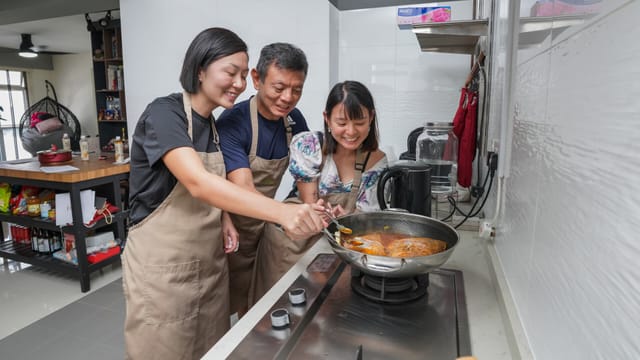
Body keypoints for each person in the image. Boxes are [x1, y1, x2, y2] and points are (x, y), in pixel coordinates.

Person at [121, 28, 324, 360]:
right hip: (164, 268)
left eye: (243, 75)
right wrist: (284, 212)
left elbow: (213, 186)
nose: (240, 83)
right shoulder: (164, 113)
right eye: (231, 73)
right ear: (200, 69)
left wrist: (226, 217)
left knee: (213, 350)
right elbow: (198, 182)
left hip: (209, 263)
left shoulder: (211, 125)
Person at [250, 80, 388, 304]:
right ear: (327, 119)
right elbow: (310, 205)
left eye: (359, 122)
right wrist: (326, 213)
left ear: (371, 118)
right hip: (289, 244)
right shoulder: (309, 145)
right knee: (274, 310)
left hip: (331, 248)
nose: (351, 131)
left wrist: (350, 220)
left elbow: (367, 218)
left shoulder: (377, 161)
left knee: (323, 312)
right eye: (341, 122)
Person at [215, 42, 309, 317]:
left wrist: (310, 206)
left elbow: (305, 174)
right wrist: (284, 214)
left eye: (297, 90)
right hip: (230, 232)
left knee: (257, 304)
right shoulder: (234, 121)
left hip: (264, 228)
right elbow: (243, 189)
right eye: (279, 88)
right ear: (256, 79)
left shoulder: (294, 121)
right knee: (224, 307)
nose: (287, 98)